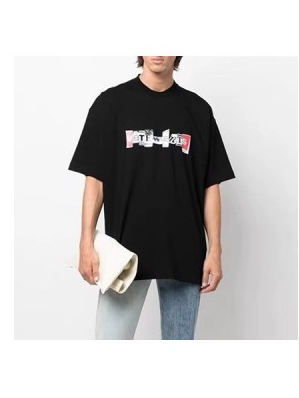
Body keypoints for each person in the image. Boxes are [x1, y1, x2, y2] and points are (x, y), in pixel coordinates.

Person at [68, 56, 235, 339]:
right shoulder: (110, 105)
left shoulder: (198, 111)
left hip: (184, 253)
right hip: (125, 253)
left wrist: (215, 250)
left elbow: (211, 185)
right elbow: (95, 180)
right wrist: (86, 242)